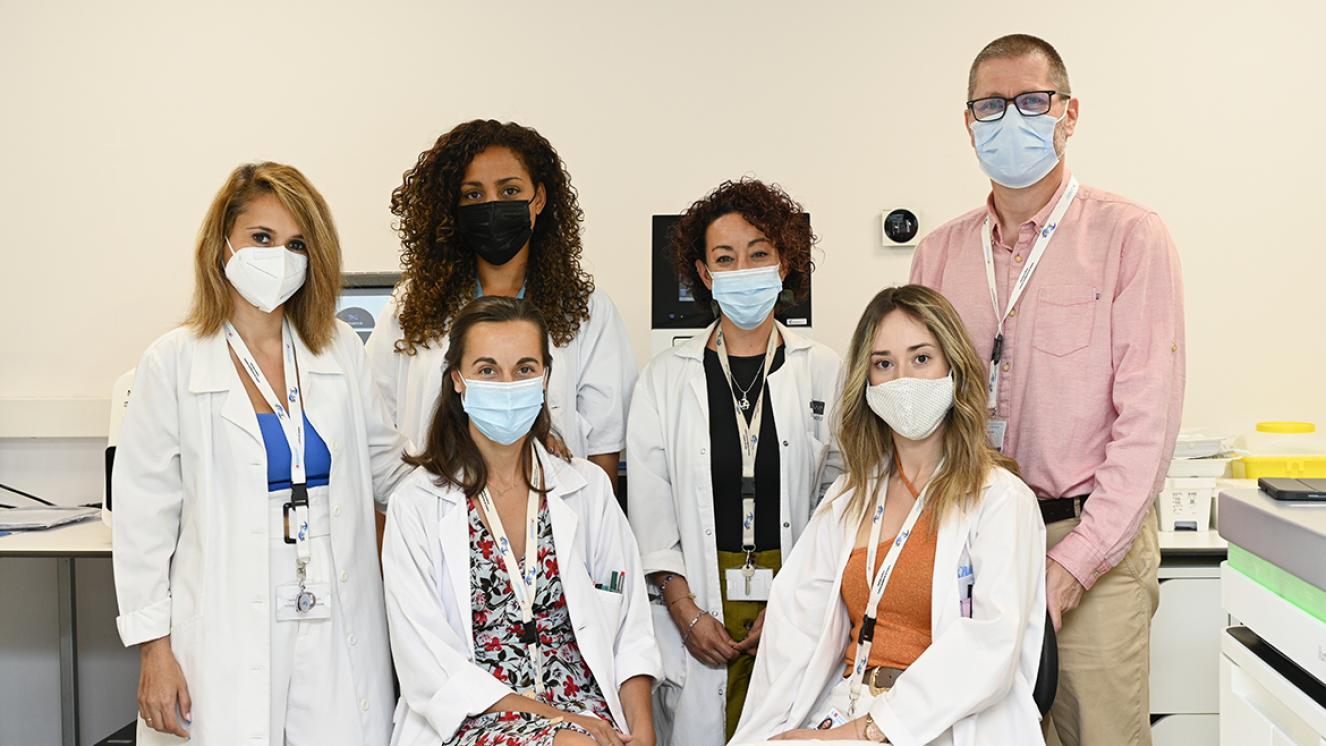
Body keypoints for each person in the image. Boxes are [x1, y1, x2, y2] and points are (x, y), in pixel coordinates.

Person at [908, 34, 1185, 746]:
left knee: (1097, 734)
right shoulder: (939, 252)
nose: (1012, 119)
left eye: (1032, 101)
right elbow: (919, 405)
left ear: (1069, 113)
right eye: (991, 105)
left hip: (1090, 537)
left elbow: (1145, 428)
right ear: (968, 123)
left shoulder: (1130, 236)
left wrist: (1071, 566)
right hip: (973, 533)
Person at [112, 162, 413, 745]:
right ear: (221, 243)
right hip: (225, 616)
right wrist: (155, 651)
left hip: (335, 604)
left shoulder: (339, 349)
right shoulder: (173, 362)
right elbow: (143, 521)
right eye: (262, 238)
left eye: (297, 243)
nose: (280, 256)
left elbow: (388, 469)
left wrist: (485, 462)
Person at [731, 285, 1046, 746]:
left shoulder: (1000, 500)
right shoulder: (850, 496)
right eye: (884, 364)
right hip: (846, 704)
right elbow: (794, 631)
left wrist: (867, 731)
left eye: (921, 358)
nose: (902, 379)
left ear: (953, 369)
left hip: (941, 723)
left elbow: (989, 650)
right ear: (867, 382)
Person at [381, 296, 659, 746]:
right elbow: (429, 664)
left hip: (591, 714)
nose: (508, 384)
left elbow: (632, 631)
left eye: (524, 369)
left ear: (546, 377)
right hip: (475, 717)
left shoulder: (587, 490)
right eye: (487, 370)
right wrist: (558, 724)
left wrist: (642, 731)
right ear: (458, 380)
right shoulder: (417, 504)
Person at [627, 179, 844, 744]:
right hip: (695, 594)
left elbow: (840, 500)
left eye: (759, 254)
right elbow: (650, 510)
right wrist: (686, 612)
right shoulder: (664, 378)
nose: (742, 269)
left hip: (796, 588)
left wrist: (796, 603)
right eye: (725, 258)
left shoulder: (825, 370)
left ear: (784, 264)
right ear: (704, 274)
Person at [366, 119, 634, 490]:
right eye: (473, 195)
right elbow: (377, 435)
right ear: (453, 208)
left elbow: (605, 447)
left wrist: (586, 527)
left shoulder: (586, 311)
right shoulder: (410, 307)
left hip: (552, 518)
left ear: (538, 199)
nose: (492, 206)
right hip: (433, 520)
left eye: (509, 191)